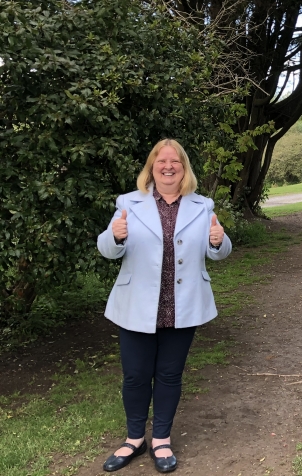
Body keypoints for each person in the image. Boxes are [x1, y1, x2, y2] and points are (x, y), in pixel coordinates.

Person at [97, 139, 232, 473]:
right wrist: (115, 235)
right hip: (137, 305)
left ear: (184, 168)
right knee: (136, 376)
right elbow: (108, 249)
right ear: (152, 166)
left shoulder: (202, 205)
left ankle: (161, 440)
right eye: (162, 161)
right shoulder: (129, 202)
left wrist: (218, 242)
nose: (169, 166)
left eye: (176, 161)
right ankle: (134, 439)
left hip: (182, 305)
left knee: (170, 375)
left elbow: (219, 249)